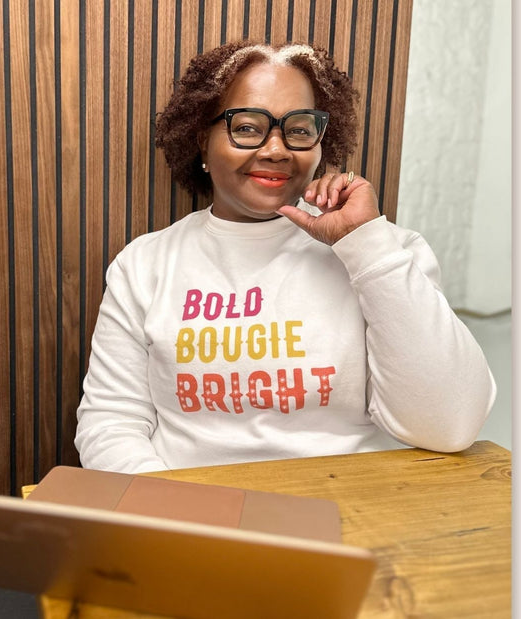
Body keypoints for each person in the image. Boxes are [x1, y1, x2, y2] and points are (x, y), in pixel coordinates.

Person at [74, 41, 495, 474]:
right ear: (202, 139)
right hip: (190, 514)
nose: (276, 149)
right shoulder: (143, 265)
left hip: (352, 512)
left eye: (298, 129)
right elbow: (112, 421)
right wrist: (173, 516)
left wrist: (365, 246)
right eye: (248, 126)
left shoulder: (389, 250)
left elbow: (450, 426)